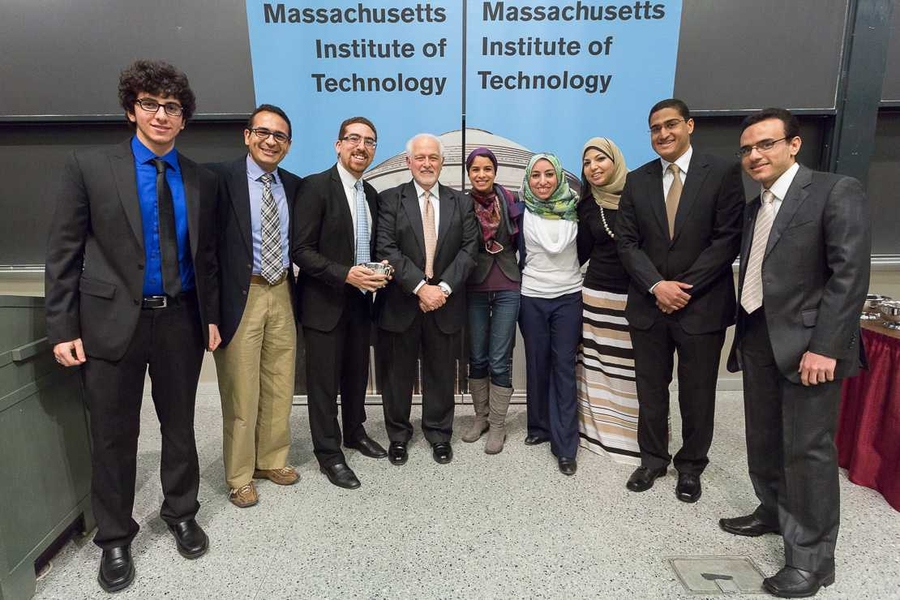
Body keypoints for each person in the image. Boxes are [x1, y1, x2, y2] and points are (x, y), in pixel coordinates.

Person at [44, 60, 219, 592]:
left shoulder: (201, 179)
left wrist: (211, 316)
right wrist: (62, 327)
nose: (161, 115)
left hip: (180, 320)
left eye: (172, 107)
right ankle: (115, 537)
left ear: (184, 118)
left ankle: (181, 512)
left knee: (180, 425)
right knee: (114, 434)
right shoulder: (90, 168)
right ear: (131, 110)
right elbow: (64, 252)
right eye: (150, 104)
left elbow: (206, 258)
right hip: (109, 322)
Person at [721, 108, 870, 598]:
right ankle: (772, 511)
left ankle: (811, 561)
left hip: (810, 347)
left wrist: (826, 347)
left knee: (807, 450)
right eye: (747, 148)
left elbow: (849, 275)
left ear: (794, 144)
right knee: (763, 437)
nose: (754, 155)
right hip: (759, 338)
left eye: (765, 144)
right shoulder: (756, 206)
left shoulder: (834, 191)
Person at [616, 98, 743, 502]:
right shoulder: (637, 180)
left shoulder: (721, 172)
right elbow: (627, 243)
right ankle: (653, 459)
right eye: (655, 128)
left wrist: (681, 288)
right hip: (649, 305)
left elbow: (727, 240)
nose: (663, 133)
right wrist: (657, 286)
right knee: (651, 390)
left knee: (697, 393)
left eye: (670, 124)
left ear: (689, 125)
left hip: (701, 307)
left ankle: (691, 466)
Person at [208, 104, 301, 508]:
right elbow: (206, 251)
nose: (270, 141)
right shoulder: (219, 180)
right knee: (241, 390)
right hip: (240, 294)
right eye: (263, 132)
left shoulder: (293, 185)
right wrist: (209, 314)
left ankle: (272, 459)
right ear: (247, 136)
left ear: (288, 145)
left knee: (280, 382)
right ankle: (240, 475)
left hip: (281, 290)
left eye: (280, 136)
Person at [293, 116, 390, 489]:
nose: (361, 147)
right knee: (323, 384)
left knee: (355, 375)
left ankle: (354, 432)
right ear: (338, 145)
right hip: (323, 302)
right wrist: (345, 274)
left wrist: (382, 267)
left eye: (369, 141)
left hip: (360, 303)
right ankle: (329, 453)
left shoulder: (371, 194)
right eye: (353, 139)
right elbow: (301, 250)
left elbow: (368, 246)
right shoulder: (315, 187)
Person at [374, 133, 478, 466]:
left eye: (433, 157)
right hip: (402, 302)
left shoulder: (461, 202)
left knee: (441, 373)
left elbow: (469, 250)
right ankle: (398, 436)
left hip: (445, 304)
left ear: (442, 162)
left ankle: (439, 434)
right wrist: (421, 287)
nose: (427, 163)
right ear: (409, 162)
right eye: (420, 157)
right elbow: (386, 248)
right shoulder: (390, 200)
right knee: (397, 375)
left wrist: (442, 289)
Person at [517, 153, 582, 476]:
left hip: (569, 297)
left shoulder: (576, 209)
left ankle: (565, 446)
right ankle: (539, 426)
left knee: (564, 367)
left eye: (548, 174)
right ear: (528, 180)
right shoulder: (520, 212)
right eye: (535, 175)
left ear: (559, 177)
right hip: (532, 297)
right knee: (537, 363)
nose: (542, 181)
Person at [575, 137, 639, 464]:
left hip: (636, 297)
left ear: (615, 160)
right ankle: (599, 437)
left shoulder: (640, 196)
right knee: (597, 368)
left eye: (600, 159)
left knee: (633, 370)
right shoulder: (588, 205)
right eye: (587, 163)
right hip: (597, 297)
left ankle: (635, 439)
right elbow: (580, 252)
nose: (593, 167)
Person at [461, 147, 523, 454]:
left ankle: (498, 425)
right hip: (474, 285)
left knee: (499, 358)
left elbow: (523, 240)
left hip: (508, 285)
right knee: (477, 357)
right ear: (468, 173)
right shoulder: (461, 203)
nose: (481, 174)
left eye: (487, 168)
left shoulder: (511, 199)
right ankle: (481, 418)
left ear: (495, 171)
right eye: (475, 169)